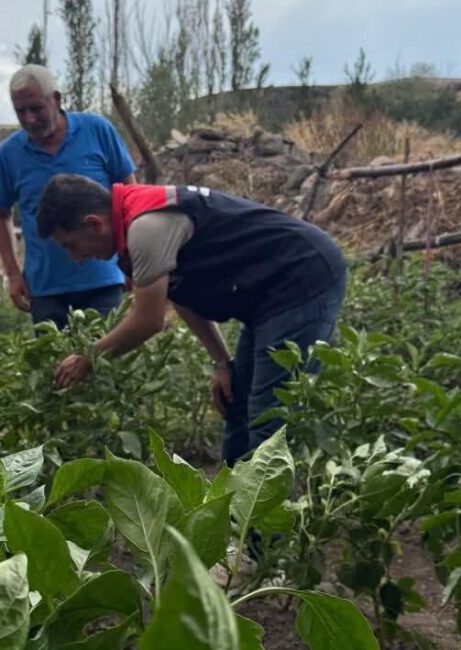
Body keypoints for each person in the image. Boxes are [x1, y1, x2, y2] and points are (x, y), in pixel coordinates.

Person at [36, 175, 347, 464]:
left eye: (71, 245)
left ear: (93, 224)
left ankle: (266, 522)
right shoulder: (134, 219)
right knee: (237, 403)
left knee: (271, 423)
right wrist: (222, 362)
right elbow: (182, 295)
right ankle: (230, 517)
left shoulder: (145, 227)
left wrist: (89, 358)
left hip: (302, 277)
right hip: (268, 292)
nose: (76, 258)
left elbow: (148, 320)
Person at [0, 64, 136, 330]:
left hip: (102, 278)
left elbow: (129, 194)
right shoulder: (8, 154)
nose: (29, 119)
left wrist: (130, 257)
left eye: (36, 109)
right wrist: (12, 273)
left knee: (105, 363)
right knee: (52, 367)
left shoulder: (98, 131)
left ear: (56, 99)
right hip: (45, 287)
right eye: (20, 111)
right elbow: (1, 214)